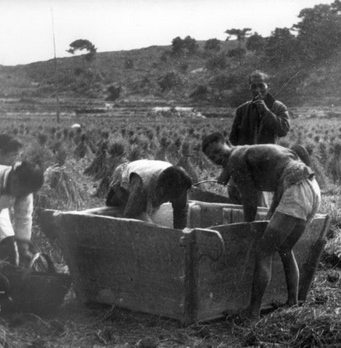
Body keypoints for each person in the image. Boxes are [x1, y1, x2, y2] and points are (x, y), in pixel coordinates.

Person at [202, 132, 321, 320]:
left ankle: (253, 311)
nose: (217, 158)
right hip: (311, 187)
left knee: (263, 252)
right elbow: (279, 190)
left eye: (218, 151)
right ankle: (292, 303)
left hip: (295, 189)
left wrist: (248, 229)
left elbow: (249, 200)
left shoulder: (235, 158)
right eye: (212, 157)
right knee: (284, 248)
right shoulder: (248, 153)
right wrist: (268, 218)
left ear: (227, 142)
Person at [228, 71, 291, 207]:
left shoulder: (278, 107)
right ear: (249, 87)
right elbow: (233, 140)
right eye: (253, 86)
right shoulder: (242, 110)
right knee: (237, 200)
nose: (257, 90)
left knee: (262, 204)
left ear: (268, 86)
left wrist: (265, 112)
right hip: (244, 165)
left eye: (261, 85)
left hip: (267, 165)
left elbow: (283, 130)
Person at [106, 159, 192, 229]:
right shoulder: (142, 184)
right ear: (162, 189)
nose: (171, 200)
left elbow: (180, 213)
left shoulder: (180, 184)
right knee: (115, 212)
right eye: (169, 197)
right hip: (123, 178)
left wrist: (179, 236)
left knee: (149, 211)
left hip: (150, 171)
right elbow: (131, 215)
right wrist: (156, 231)